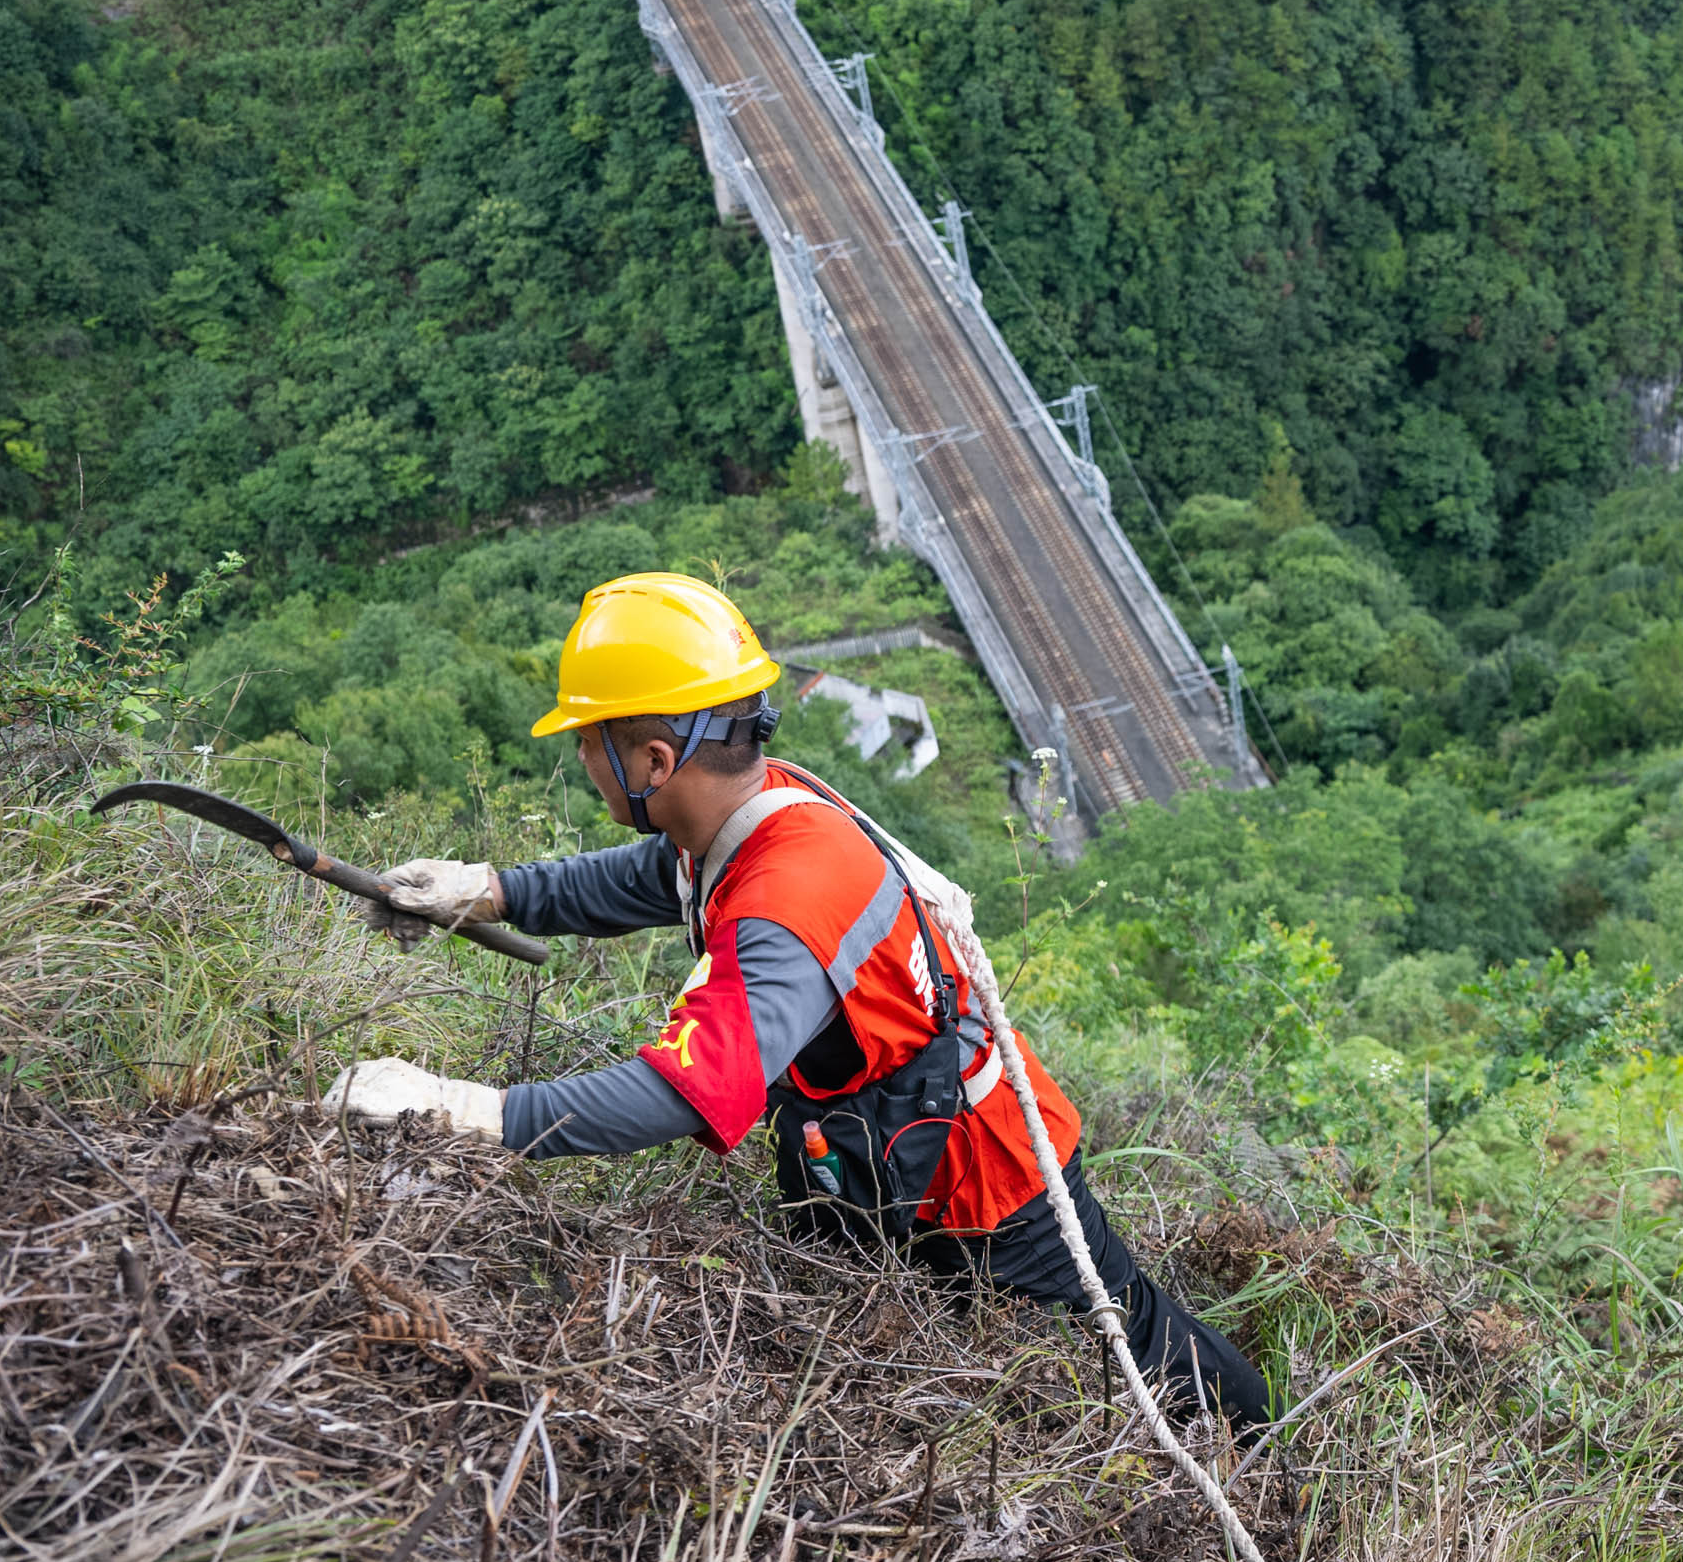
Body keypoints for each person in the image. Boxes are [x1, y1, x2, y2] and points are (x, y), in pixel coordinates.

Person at [320, 570, 1268, 1432]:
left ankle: (1265, 1451)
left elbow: (687, 1091)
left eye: (588, 741)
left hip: (985, 1189)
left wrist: (464, 1111)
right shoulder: (751, 812)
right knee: (892, 1372)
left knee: (1130, 1359)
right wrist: (492, 889)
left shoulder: (790, 904)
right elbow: (660, 876)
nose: (580, 759)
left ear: (654, 759)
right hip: (878, 1154)